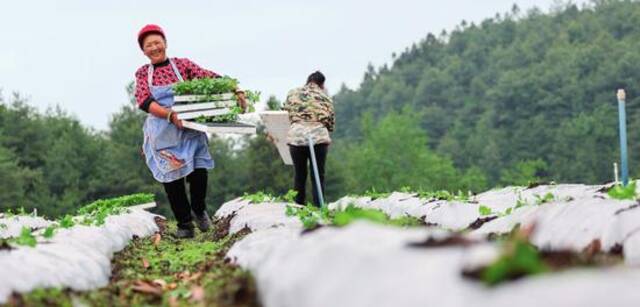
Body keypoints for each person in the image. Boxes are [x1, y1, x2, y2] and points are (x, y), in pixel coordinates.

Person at [133, 24, 246, 238]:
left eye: (157, 42)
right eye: (149, 45)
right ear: (144, 51)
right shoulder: (142, 74)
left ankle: (199, 209)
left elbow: (209, 77)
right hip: (162, 129)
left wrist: (235, 88)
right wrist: (169, 114)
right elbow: (144, 101)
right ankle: (185, 224)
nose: (154, 47)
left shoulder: (182, 65)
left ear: (165, 43)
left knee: (199, 171)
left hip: (190, 128)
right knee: (173, 180)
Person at [283, 71, 335, 206]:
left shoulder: (293, 93)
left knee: (299, 175)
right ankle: (319, 207)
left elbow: (287, 113)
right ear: (322, 84)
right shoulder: (325, 97)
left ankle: (298, 206)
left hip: (296, 138)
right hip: (318, 139)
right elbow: (330, 123)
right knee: (318, 174)